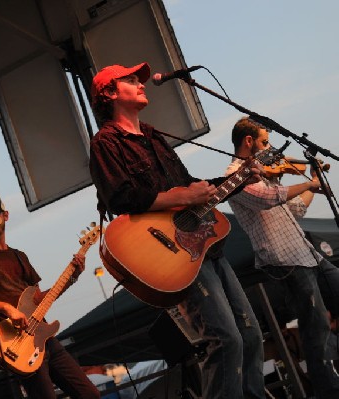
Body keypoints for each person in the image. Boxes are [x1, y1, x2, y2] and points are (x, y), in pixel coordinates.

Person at [89, 63, 265, 398]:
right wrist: (182, 195)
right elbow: (120, 198)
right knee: (226, 340)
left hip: (203, 244)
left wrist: (238, 180)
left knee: (251, 335)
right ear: (110, 92)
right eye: (130, 80)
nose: (141, 84)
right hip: (173, 252)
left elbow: (190, 188)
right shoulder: (106, 143)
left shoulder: (154, 135)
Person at [226, 116, 339, 398]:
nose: (270, 147)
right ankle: (329, 391)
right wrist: (307, 185)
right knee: (316, 327)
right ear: (248, 141)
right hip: (285, 260)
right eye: (265, 142)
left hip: (307, 253)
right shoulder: (234, 176)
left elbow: (295, 210)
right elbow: (269, 199)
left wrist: (313, 181)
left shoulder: (262, 172)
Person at [0, 194, 100, 399]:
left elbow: (38, 299)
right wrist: (6, 308)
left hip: (44, 336)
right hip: (16, 343)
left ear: (5, 215)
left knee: (90, 394)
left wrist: (72, 277)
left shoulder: (19, 256)